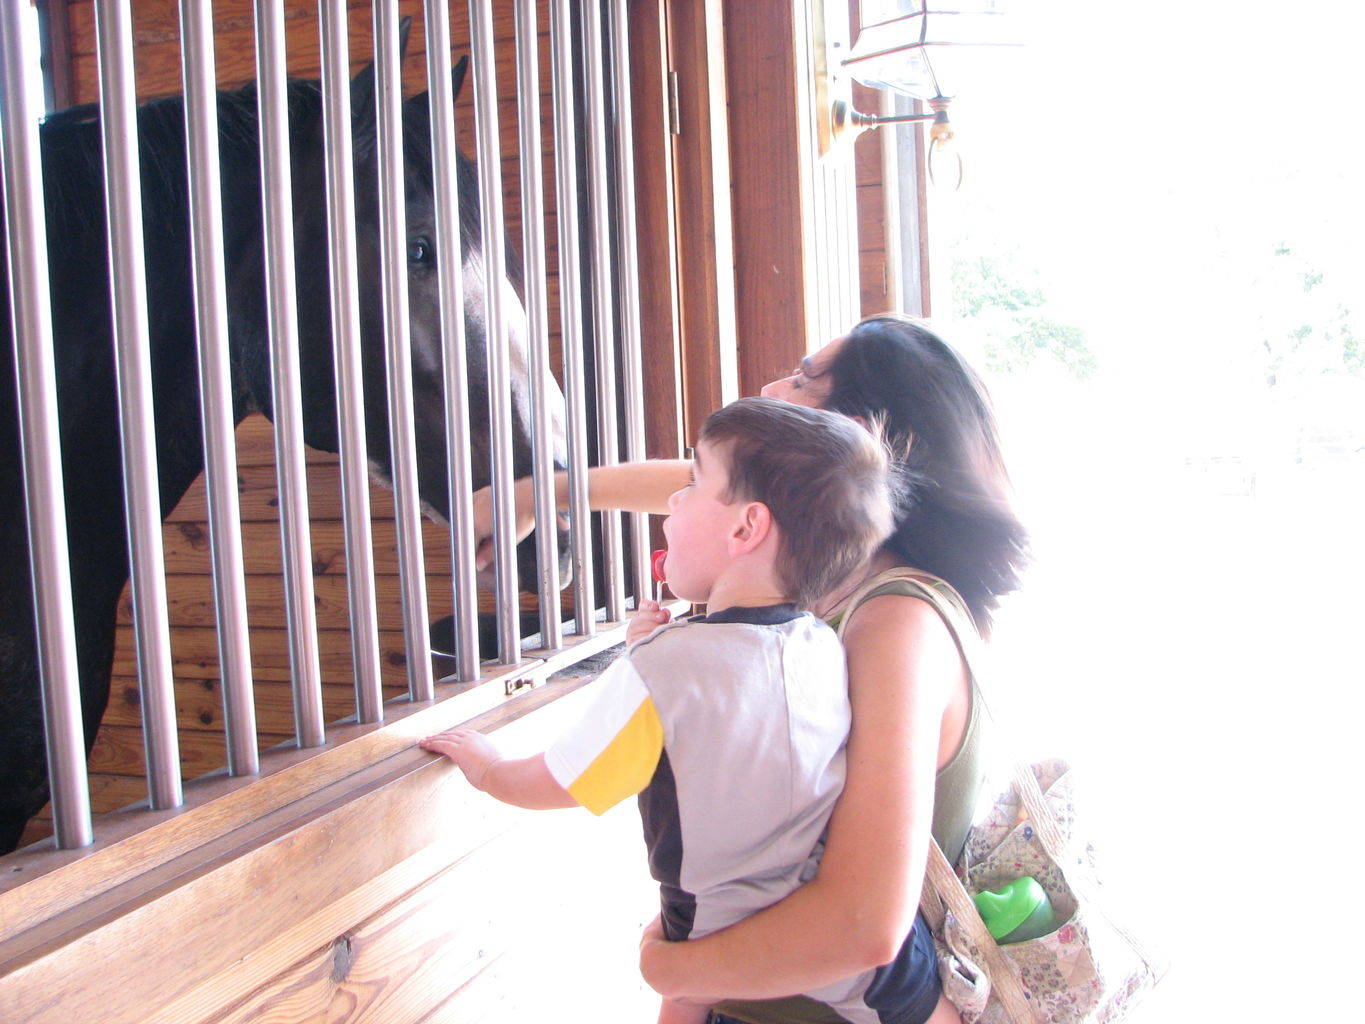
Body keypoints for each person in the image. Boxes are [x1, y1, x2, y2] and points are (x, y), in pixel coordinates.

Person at [471, 314, 1029, 1024]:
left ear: (849, 440)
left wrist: (671, 968)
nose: (772, 384)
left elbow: (862, 923)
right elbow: (709, 490)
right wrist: (534, 496)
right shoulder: (823, 599)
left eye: (802, 380)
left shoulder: (895, 626)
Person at [425, 396, 920, 1024]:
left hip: (721, 929)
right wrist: (648, 651)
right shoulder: (821, 641)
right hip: (891, 969)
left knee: (675, 974)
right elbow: (723, 703)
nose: (673, 501)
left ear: (746, 529)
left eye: (691, 483)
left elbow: (562, 780)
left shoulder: (664, 671)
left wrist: (487, 766)